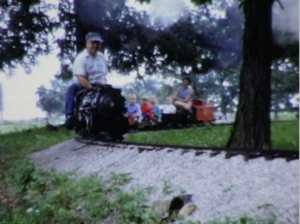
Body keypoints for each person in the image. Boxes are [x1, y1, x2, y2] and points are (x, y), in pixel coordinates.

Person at [64, 32, 109, 129]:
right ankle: (70, 115)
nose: (95, 45)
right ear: (87, 43)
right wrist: (91, 88)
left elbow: (104, 75)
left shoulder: (102, 57)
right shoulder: (81, 58)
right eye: (93, 43)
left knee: (114, 95)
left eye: (97, 43)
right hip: (85, 84)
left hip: (101, 85)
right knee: (72, 88)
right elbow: (80, 77)